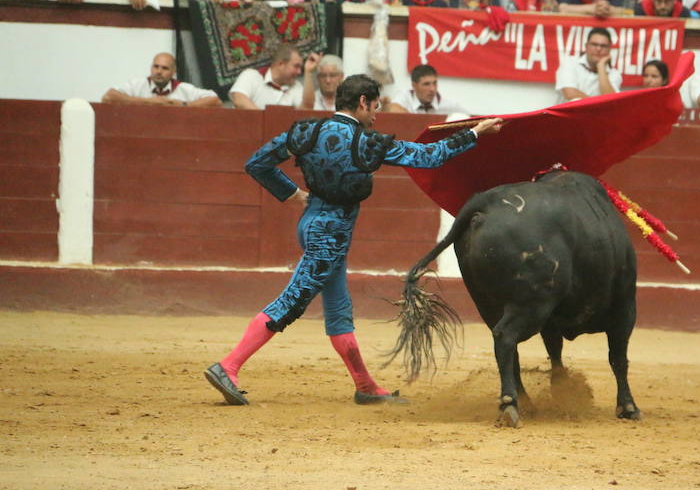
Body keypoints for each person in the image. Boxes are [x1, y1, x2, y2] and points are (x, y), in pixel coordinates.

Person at [203, 74, 504, 407]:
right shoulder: (367, 142)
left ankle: (365, 385)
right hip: (330, 234)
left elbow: (256, 163)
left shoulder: (305, 132)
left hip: (312, 223)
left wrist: (293, 194)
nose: (375, 115)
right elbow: (428, 157)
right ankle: (228, 366)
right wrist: (475, 133)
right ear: (362, 102)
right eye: (374, 107)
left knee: (338, 309)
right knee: (293, 300)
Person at [101, 52, 222, 107]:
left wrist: (183, 105)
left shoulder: (183, 88)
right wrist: (148, 102)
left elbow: (215, 101)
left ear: (173, 72)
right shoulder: (137, 84)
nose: (159, 71)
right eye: (156, 66)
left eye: (165, 68)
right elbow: (108, 97)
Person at [555, 27, 623, 101]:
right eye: (594, 44)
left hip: (596, 112)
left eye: (603, 46)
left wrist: (601, 67)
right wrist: (599, 105)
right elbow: (570, 94)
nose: (598, 49)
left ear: (609, 49)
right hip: (567, 112)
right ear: (586, 46)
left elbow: (611, 101)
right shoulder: (570, 62)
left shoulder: (614, 74)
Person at [230, 44, 305, 109]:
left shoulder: (297, 87)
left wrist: (308, 75)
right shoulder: (251, 75)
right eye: (296, 66)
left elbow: (306, 113)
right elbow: (239, 100)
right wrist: (265, 121)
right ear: (281, 64)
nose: (299, 72)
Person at [388, 64, 466, 113]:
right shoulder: (405, 97)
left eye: (434, 83)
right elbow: (392, 108)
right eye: (426, 84)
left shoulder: (449, 105)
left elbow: (470, 120)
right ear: (414, 86)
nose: (432, 89)